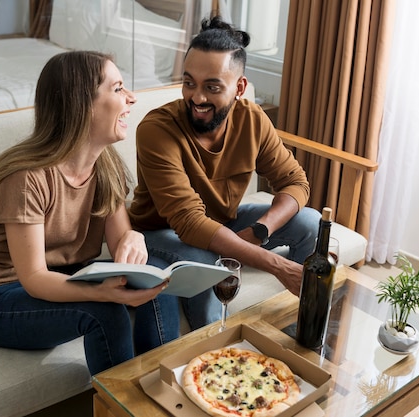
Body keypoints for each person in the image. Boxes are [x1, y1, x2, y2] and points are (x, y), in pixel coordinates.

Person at [0, 51, 177, 376]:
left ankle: (160, 385)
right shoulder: (27, 178)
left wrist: (132, 238)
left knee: (158, 278)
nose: (132, 98)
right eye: (118, 89)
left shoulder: (106, 165)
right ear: (83, 104)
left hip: (67, 274)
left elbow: (122, 245)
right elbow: (33, 278)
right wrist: (99, 292)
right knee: (104, 312)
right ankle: (122, 409)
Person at [128, 16, 321, 330]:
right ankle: (210, 346)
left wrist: (259, 231)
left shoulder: (252, 120)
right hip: (160, 233)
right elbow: (190, 223)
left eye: (212, 87)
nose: (197, 98)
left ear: (239, 88)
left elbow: (295, 182)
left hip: (221, 222)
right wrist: (275, 264)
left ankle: (288, 325)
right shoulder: (157, 130)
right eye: (189, 83)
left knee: (310, 221)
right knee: (207, 263)